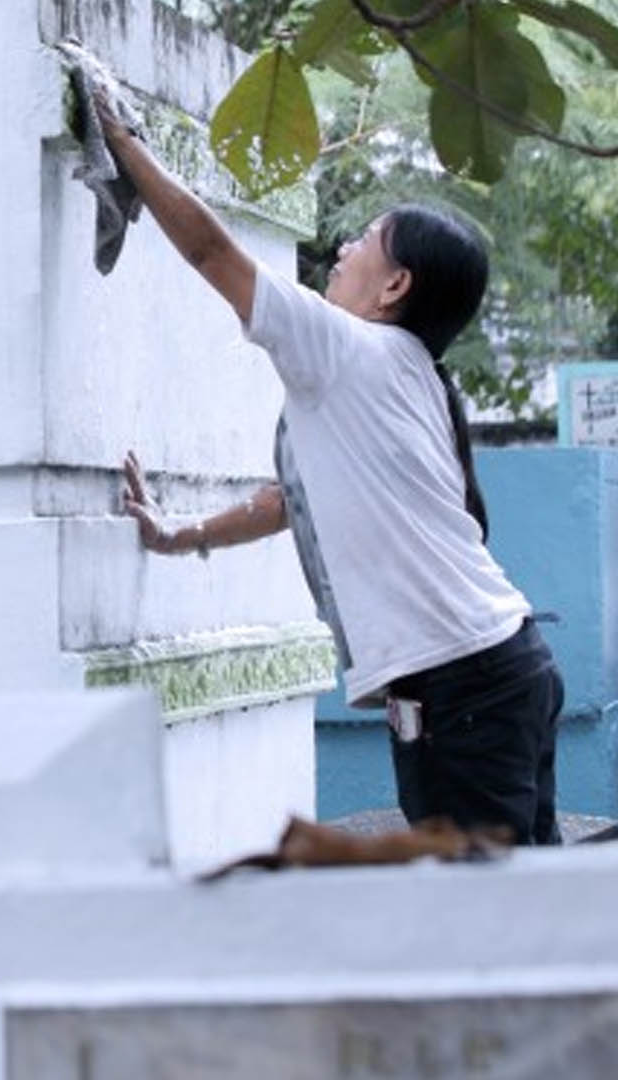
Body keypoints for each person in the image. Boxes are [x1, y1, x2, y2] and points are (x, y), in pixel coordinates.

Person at [96, 93, 563, 844]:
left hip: (465, 683)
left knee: (481, 900)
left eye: (367, 240)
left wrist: (125, 144)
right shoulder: (410, 374)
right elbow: (293, 501)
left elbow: (212, 253)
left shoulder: (346, 347)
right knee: (525, 892)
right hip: (500, 668)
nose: (344, 247)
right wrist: (180, 535)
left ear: (395, 287)